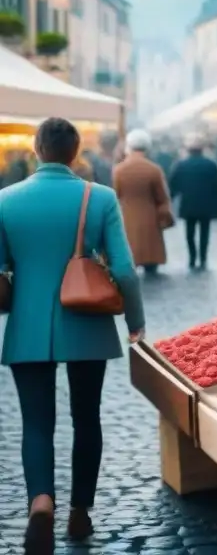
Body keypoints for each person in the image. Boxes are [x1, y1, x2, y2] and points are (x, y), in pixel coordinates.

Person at [0, 117, 144, 554]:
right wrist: (134, 322)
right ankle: (80, 512)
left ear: (36, 148)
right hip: (85, 318)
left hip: (27, 323)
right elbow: (122, 269)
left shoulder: (5, 200)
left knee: (36, 423)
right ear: (76, 151)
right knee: (87, 418)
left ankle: (40, 501)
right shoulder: (98, 197)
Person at [114, 129, 172, 277]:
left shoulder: (119, 170)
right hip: (150, 217)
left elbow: (116, 194)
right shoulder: (154, 169)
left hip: (127, 216)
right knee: (150, 252)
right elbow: (162, 197)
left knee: (129, 249)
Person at [168, 134, 217, 271]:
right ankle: (203, 258)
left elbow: (173, 185)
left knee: (190, 233)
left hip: (188, 204)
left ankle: (192, 258)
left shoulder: (181, 165)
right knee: (205, 232)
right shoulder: (211, 165)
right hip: (206, 204)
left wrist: (170, 200)